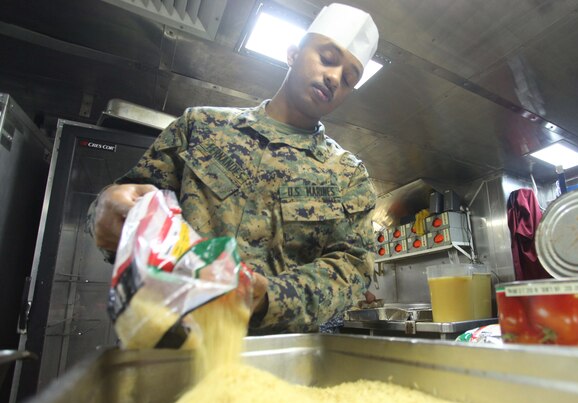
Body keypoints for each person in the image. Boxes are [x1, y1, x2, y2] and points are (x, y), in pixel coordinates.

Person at [88, 3, 379, 334]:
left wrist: (266, 296)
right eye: (327, 58)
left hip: (275, 362)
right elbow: (133, 201)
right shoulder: (199, 126)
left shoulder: (347, 175)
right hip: (167, 345)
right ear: (293, 53)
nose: (334, 77)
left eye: (349, 78)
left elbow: (351, 268)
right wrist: (107, 207)